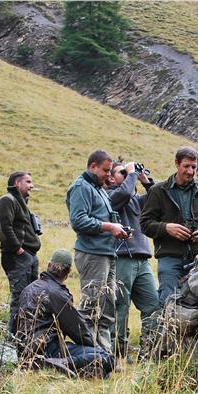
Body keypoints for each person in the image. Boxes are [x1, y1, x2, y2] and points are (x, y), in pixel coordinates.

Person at [66, 149, 131, 353]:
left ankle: (104, 354)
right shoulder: (81, 187)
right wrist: (109, 227)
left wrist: (118, 230)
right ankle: (87, 354)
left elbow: (103, 218)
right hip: (92, 254)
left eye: (110, 171)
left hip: (108, 253)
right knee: (91, 306)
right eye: (105, 170)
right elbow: (78, 220)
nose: (109, 175)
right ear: (93, 166)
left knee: (107, 306)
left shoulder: (99, 189)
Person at [16, 249, 114, 378]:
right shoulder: (57, 294)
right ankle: (63, 362)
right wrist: (96, 348)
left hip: (24, 350)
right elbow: (77, 329)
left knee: (100, 372)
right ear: (68, 272)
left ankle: (57, 367)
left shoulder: (28, 289)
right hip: (47, 349)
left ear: (49, 265)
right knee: (106, 358)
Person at [140, 146, 198, 303]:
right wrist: (166, 228)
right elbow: (145, 223)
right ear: (176, 164)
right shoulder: (158, 191)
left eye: (194, 167)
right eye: (186, 166)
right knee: (169, 303)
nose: (190, 171)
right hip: (170, 259)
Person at [107, 161, 162, 357]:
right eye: (122, 172)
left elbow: (157, 197)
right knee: (121, 306)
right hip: (122, 258)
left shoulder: (134, 199)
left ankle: (148, 351)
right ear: (111, 178)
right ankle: (117, 353)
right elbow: (121, 195)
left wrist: (144, 179)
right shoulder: (109, 196)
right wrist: (131, 174)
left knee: (153, 305)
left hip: (142, 260)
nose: (128, 174)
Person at [0, 171, 41, 334]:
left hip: (28, 256)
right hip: (18, 257)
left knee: (30, 299)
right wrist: (17, 249)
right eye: (28, 182)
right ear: (17, 183)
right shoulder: (7, 201)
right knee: (20, 299)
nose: (31, 186)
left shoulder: (21, 203)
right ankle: (14, 338)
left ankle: (26, 335)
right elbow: (2, 227)